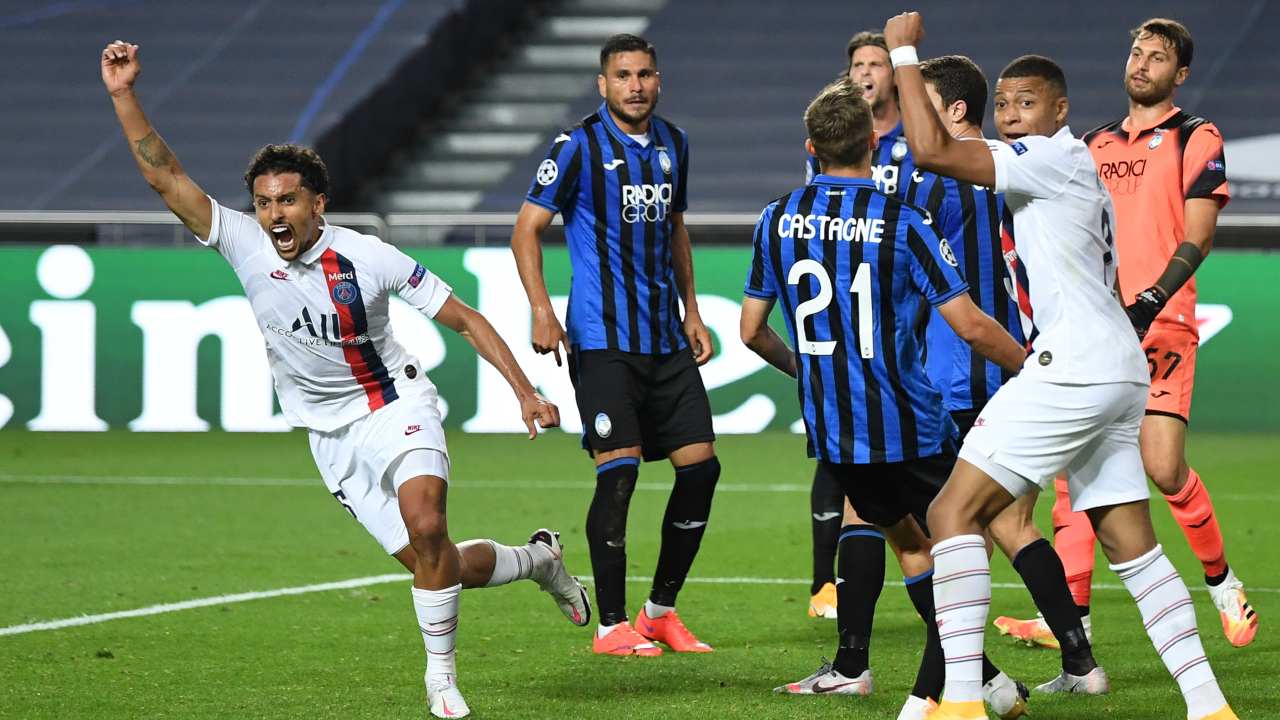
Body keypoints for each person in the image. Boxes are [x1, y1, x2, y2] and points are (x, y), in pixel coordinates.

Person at [102, 40, 590, 719]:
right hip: (329, 436)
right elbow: (166, 179)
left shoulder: (368, 256)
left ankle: (440, 680)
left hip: (396, 403)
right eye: (265, 202)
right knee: (435, 562)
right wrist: (124, 94)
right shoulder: (242, 243)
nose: (275, 214)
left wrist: (525, 391)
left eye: (288, 200)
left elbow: (466, 317)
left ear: (318, 203)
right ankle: (540, 562)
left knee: (427, 524)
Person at [883, 11, 1238, 720]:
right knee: (1128, 540)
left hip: (1074, 361)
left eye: (1028, 103)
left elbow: (930, 150)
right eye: (1006, 103)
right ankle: (1208, 704)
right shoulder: (1065, 163)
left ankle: (956, 703)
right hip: (1114, 365)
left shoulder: (1048, 158)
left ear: (1061, 110)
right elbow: (957, 149)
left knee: (953, 510)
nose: (1013, 114)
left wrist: (901, 53)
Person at [740, 79, 1029, 720]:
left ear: (810, 147)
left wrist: (810, 373)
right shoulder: (903, 219)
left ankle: (956, 678)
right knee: (960, 540)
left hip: (833, 425)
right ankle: (960, 691)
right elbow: (972, 325)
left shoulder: (774, 216)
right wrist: (1033, 369)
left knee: (903, 539)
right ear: (874, 141)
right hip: (911, 419)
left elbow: (751, 330)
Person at [998, 16, 1256, 650]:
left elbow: (1197, 235)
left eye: (1157, 57)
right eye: (1136, 52)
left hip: (1161, 323)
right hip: (1095, 329)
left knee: (1163, 469)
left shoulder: (1196, 136)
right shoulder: (1091, 145)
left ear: (1180, 73)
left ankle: (1223, 585)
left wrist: (1151, 300)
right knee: (1071, 471)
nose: (1141, 64)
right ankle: (1073, 623)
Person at [509, 33, 720, 657]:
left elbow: (675, 228)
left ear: (659, 80)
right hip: (602, 341)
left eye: (646, 74)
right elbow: (526, 229)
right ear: (603, 85)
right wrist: (542, 310)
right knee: (620, 471)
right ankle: (610, 625)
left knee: (702, 470)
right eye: (623, 75)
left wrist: (692, 308)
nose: (636, 85)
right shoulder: (576, 146)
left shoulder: (675, 144)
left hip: (664, 339)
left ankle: (659, 612)